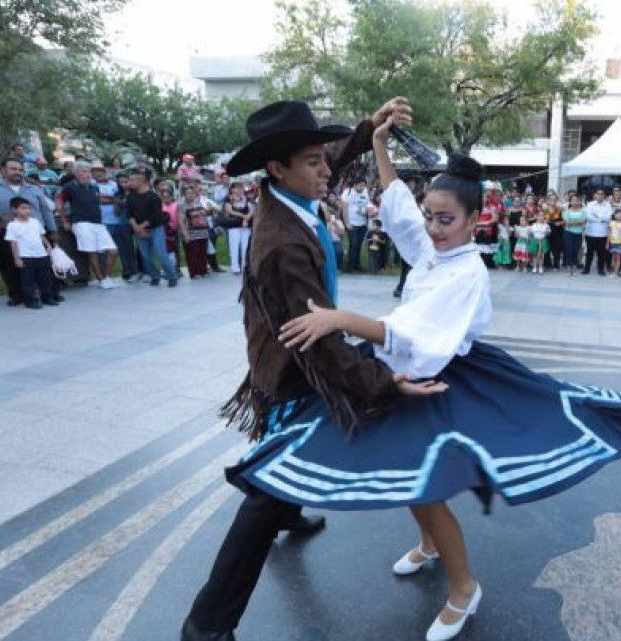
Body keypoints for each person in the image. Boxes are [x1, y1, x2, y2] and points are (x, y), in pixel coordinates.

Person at [264, 116, 621, 641]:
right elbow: (399, 210)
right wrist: (379, 144)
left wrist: (340, 319)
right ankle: (431, 546)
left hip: (440, 380)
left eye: (445, 220)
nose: (432, 228)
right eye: (430, 216)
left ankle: (464, 588)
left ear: (474, 221)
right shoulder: (433, 249)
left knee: (425, 484)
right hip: (411, 370)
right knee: (411, 476)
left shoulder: (468, 273)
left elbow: (416, 336)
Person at [181, 98, 435, 641]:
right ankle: (206, 625)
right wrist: (383, 383)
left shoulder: (290, 191)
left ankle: (287, 512)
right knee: (266, 494)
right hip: (293, 369)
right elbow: (317, 341)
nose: (327, 171)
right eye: (314, 162)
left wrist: (370, 129)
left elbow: (333, 159)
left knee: (282, 475)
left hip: (287, 357)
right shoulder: (281, 243)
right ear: (277, 167)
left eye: (324, 158)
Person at [0, 157, 57, 305]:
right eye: (13, 169)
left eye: (20, 169)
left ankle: (49, 294)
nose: (17, 172)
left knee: (43, 265)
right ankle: (18, 295)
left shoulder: (32, 188)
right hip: (11, 232)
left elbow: (45, 209)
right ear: (3, 170)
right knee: (12, 265)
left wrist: (52, 229)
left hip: (36, 232)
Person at [57, 161, 120, 289]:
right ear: (77, 173)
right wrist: (64, 221)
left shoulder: (94, 186)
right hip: (81, 223)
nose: (87, 174)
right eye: (84, 171)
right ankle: (101, 280)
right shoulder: (69, 187)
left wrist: (114, 200)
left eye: (89, 171)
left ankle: (106, 277)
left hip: (98, 223)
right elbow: (59, 202)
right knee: (92, 252)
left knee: (113, 250)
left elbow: (98, 198)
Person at [124, 169, 178, 287]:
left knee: (161, 254)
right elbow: (129, 214)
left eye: (132, 180)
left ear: (141, 181)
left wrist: (141, 226)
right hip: (139, 231)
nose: (129, 183)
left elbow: (155, 216)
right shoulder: (130, 197)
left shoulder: (154, 197)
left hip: (155, 229)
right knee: (146, 257)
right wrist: (136, 227)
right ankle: (155, 276)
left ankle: (172, 276)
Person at [5, 197, 59, 308]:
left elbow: (41, 235)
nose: (27, 211)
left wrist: (48, 245)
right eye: (23, 208)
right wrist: (17, 259)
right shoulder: (12, 225)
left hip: (41, 254)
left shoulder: (35, 222)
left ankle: (47, 297)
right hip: (26, 256)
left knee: (45, 278)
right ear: (14, 210)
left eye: (29, 208)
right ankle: (30, 300)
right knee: (27, 280)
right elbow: (13, 243)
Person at [179, 187, 213, 278]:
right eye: (188, 193)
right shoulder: (182, 205)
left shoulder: (199, 203)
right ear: (184, 195)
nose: (190, 195)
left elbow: (204, 216)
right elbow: (181, 221)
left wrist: (209, 210)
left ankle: (203, 271)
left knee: (203, 253)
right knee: (192, 254)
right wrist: (185, 234)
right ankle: (195, 273)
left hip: (203, 233)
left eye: (192, 193)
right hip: (191, 234)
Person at [223, 182, 254, 275]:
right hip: (234, 225)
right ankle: (235, 268)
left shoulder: (246, 198)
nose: (240, 189)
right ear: (232, 189)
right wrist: (243, 216)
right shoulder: (228, 198)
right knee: (234, 247)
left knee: (246, 246)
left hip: (246, 225)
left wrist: (247, 218)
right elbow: (229, 210)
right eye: (237, 188)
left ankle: (245, 266)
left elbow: (252, 210)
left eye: (241, 187)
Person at [582, 189, 612, 275]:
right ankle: (586, 269)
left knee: (601, 253)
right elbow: (588, 217)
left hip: (603, 233)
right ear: (595, 195)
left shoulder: (608, 205)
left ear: (604, 195)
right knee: (589, 252)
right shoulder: (590, 204)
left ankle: (601, 270)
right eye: (598, 194)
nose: (600, 195)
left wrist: (597, 216)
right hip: (590, 233)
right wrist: (601, 219)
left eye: (602, 194)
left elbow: (608, 218)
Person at [344, 179, 370, 272]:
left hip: (362, 223)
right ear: (355, 185)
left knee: (359, 245)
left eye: (364, 185)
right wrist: (347, 222)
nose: (362, 187)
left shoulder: (365, 192)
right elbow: (344, 208)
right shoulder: (348, 192)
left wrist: (366, 212)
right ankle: (351, 266)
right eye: (360, 185)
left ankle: (357, 265)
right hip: (352, 223)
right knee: (353, 244)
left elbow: (368, 206)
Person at [561, 193, 586, 276]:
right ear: (570, 202)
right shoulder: (566, 211)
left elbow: (583, 222)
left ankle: (574, 267)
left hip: (578, 233)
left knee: (576, 250)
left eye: (577, 200)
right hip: (568, 233)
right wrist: (578, 222)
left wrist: (572, 222)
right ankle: (568, 267)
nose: (575, 202)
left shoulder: (583, 212)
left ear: (579, 202)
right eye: (573, 200)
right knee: (569, 249)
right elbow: (567, 223)